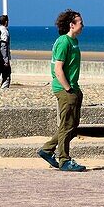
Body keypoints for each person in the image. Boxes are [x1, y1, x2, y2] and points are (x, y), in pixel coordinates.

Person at [38, 10, 86, 172]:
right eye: (80, 22)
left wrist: (75, 89)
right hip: (64, 89)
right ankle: (64, 160)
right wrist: (68, 88)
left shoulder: (74, 42)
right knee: (66, 125)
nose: (83, 25)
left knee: (72, 125)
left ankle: (47, 149)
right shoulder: (63, 42)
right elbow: (58, 69)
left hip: (73, 87)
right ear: (72, 25)